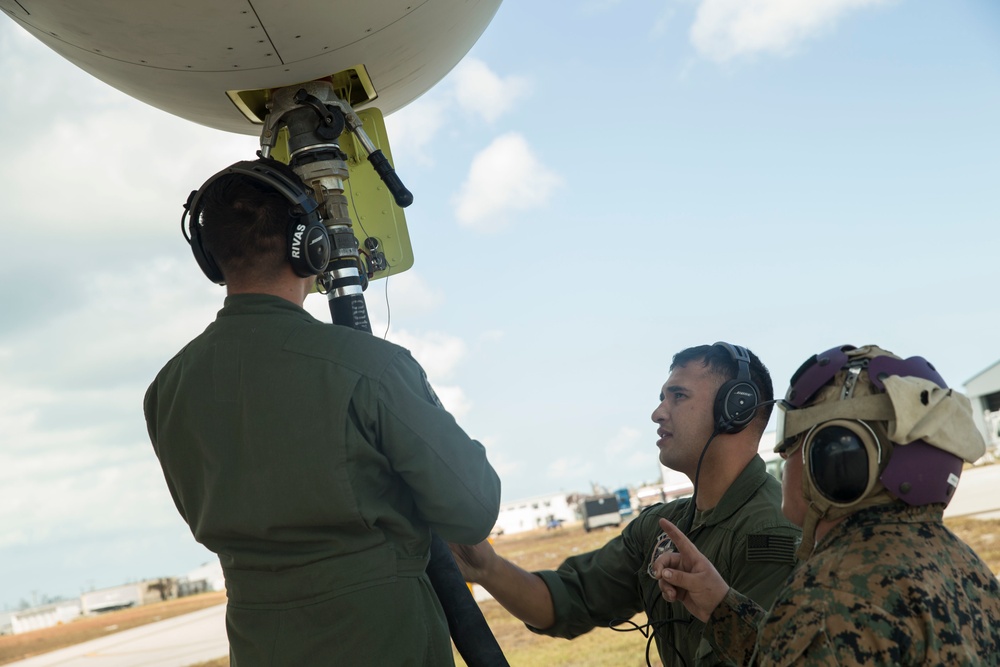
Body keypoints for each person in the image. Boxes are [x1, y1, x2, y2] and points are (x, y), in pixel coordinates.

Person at [143, 158, 502, 666]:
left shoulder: (167, 391)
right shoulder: (371, 367)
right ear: (312, 245)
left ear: (210, 256)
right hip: (386, 641)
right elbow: (473, 507)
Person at [451, 343, 800, 666]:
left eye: (678, 396)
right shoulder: (660, 528)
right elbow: (565, 601)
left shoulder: (772, 532)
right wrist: (488, 568)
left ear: (734, 408)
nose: (658, 413)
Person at [653, 344, 1000, 665]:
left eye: (791, 444)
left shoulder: (832, 594)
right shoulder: (965, 568)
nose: (782, 456)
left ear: (835, 457)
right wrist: (721, 606)